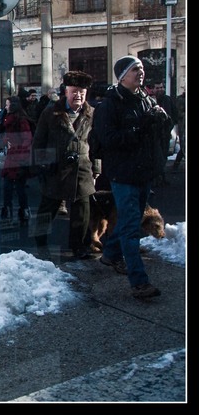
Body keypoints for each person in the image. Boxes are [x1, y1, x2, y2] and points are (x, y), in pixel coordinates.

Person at [92, 56, 172, 300]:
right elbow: (109, 140)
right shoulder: (110, 105)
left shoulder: (146, 99)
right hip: (123, 175)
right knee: (129, 227)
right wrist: (140, 127)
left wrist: (163, 121)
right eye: (135, 69)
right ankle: (139, 282)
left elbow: (157, 135)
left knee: (132, 221)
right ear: (122, 76)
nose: (141, 72)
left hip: (144, 173)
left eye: (142, 68)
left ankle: (110, 254)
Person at [30, 71, 100, 260]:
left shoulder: (91, 114)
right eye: (74, 91)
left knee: (82, 212)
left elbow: (97, 144)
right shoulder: (51, 113)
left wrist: (96, 168)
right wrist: (42, 166)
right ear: (66, 92)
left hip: (82, 168)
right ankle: (40, 245)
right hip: (56, 169)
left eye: (82, 92)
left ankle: (79, 247)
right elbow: (38, 141)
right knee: (47, 209)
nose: (78, 96)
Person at [0, 96, 34, 225]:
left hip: (19, 157)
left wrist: (21, 156)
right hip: (13, 156)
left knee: (18, 187)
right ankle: (11, 211)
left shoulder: (21, 120)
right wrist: (6, 141)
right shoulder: (10, 118)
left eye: (7, 104)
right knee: (9, 186)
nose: (5, 107)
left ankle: (22, 212)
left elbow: (27, 139)